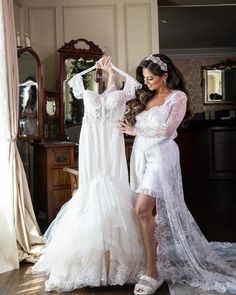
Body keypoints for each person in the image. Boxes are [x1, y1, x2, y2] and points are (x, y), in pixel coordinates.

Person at [118, 53, 236, 295]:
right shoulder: (147, 97)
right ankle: (153, 259)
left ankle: (152, 271)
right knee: (146, 212)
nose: (146, 82)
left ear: (165, 76)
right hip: (141, 154)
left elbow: (167, 130)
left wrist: (134, 130)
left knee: (141, 208)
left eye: (151, 78)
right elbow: (138, 124)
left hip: (162, 155)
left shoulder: (177, 97)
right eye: (144, 78)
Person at [32, 56, 145, 292]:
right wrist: (103, 70)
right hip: (92, 146)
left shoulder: (121, 91)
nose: (104, 77)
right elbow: (90, 85)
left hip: (111, 146)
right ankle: (91, 262)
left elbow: (128, 83)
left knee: (113, 188)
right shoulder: (79, 83)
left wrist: (113, 70)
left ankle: (117, 262)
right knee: (91, 190)